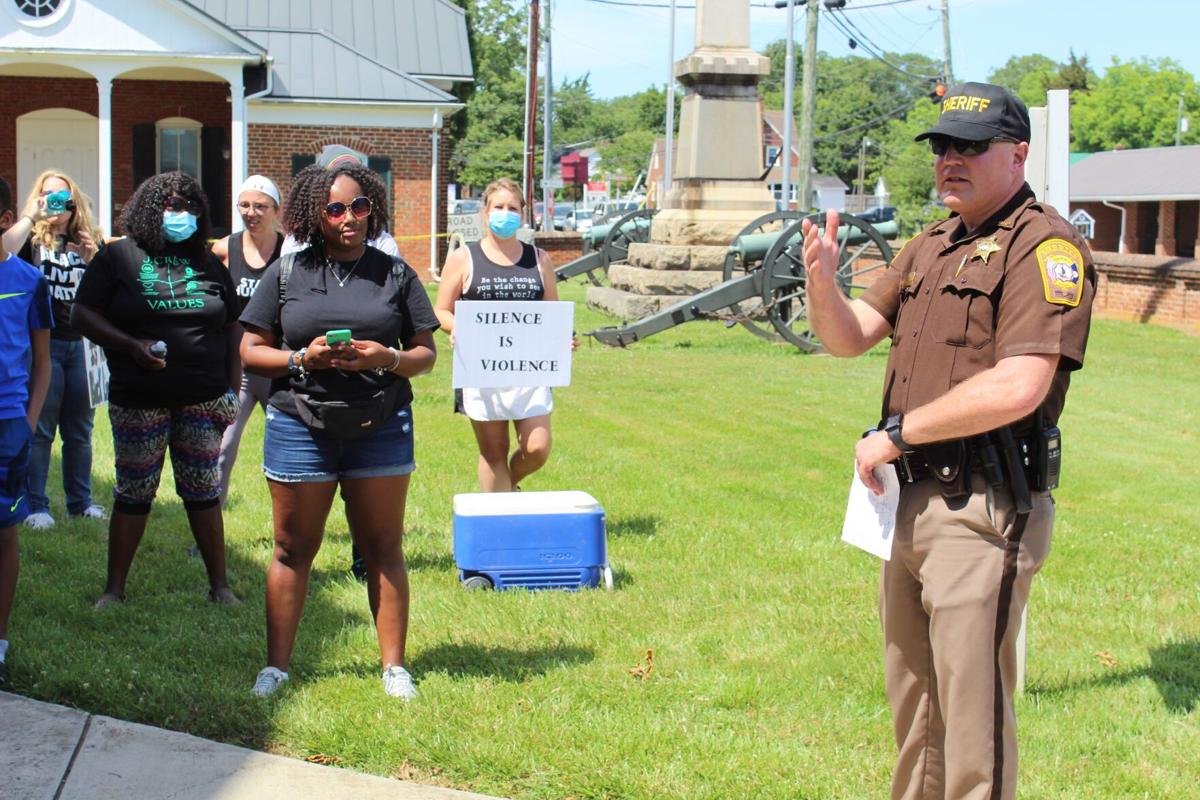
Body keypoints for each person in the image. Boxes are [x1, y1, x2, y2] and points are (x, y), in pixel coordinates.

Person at [801, 82, 1095, 800]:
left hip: (982, 507)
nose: (949, 161)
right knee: (918, 709)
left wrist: (898, 435)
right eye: (941, 147)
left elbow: (1021, 383)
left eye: (970, 147)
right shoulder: (931, 244)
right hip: (908, 506)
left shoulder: (1044, 246)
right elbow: (849, 339)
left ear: (1018, 153)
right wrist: (820, 284)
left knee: (970, 724)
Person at [239, 162, 437, 700]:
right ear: (312, 215)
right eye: (334, 208)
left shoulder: (395, 274)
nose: (348, 218)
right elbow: (251, 350)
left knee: (382, 546)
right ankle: (276, 668)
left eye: (359, 206)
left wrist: (387, 355)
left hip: (381, 424)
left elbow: (426, 354)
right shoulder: (286, 272)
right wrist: (305, 357)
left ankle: (394, 668)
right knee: (291, 547)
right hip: (300, 423)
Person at [71, 171, 242, 609]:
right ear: (149, 207)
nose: (180, 213)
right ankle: (114, 590)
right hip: (139, 399)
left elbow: (230, 324)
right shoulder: (118, 258)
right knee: (134, 492)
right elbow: (83, 314)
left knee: (203, 491)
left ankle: (220, 587)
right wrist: (131, 345)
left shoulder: (208, 262)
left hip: (202, 398)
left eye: (188, 206)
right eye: (170, 204)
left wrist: (231, 387)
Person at [434, 178, 574, 492]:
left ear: (523, 214)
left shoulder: (540, 260)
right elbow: (441, 310)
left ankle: (508, 486)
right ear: (485, 213)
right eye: (498, 207)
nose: (505, 213)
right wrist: (457, 328)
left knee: (537, 448)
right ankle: (499, 517)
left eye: (512, 208)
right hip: (482, 370)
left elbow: (551, 315)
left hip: (530, 370)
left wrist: (565, 339)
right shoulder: (464, 258)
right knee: (493, 451)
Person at [0, 171, 106, 528]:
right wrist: (34, 214)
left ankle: (81, 501)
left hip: (83, 346)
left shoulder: (90, 240)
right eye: (48, 195)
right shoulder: (30, 240)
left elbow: (108, 296)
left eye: (62, 197)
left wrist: (92, 260)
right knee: (41, 427)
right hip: (44, 342)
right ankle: (37, 504)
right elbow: (5, 251)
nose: (55, 203)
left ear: (75, 201)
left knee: (80, 430)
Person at [0, 177, 52, 689]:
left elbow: (42, 362)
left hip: (8, 424)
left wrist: (29, 420)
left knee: (4, 531)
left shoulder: (28, 281)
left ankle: (0, 640)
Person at [212, 175, 284, 507]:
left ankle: (294, 529)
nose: (251, 212)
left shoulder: (291, 251)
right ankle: (209, 527)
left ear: (276, 211)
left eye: (260, 206)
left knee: (288, 449)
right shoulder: (225, 248)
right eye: (245, 205)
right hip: (237, 368)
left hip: (277, 369)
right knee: (221, 449)